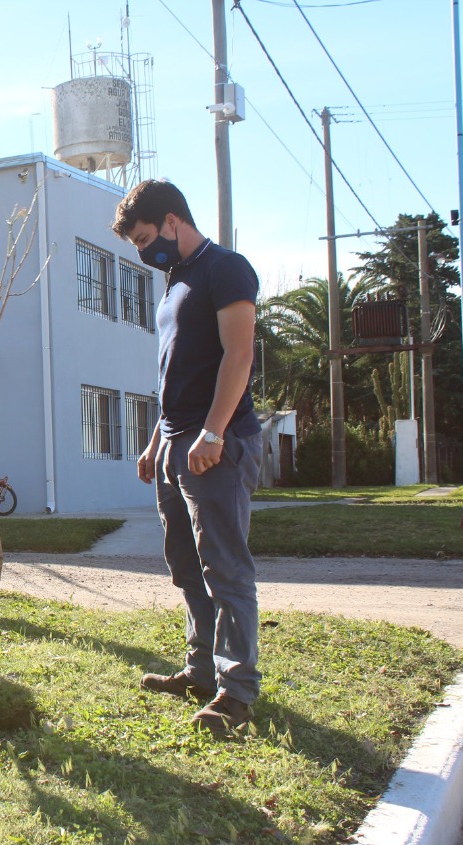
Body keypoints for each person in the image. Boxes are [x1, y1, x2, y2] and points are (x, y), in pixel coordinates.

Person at [111, 179, 263, 734]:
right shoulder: (175, 281)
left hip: (215, 444)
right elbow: (175, 374)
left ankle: (236, 690)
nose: (144, 251)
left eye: (147, 237)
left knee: (225, 567)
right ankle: (201, 670)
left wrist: (215, 432)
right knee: (186, 565)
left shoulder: (227, 268)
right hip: (176, 442)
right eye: (136, 244)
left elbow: (238, 354)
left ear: (173, 221)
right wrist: (157, 440)